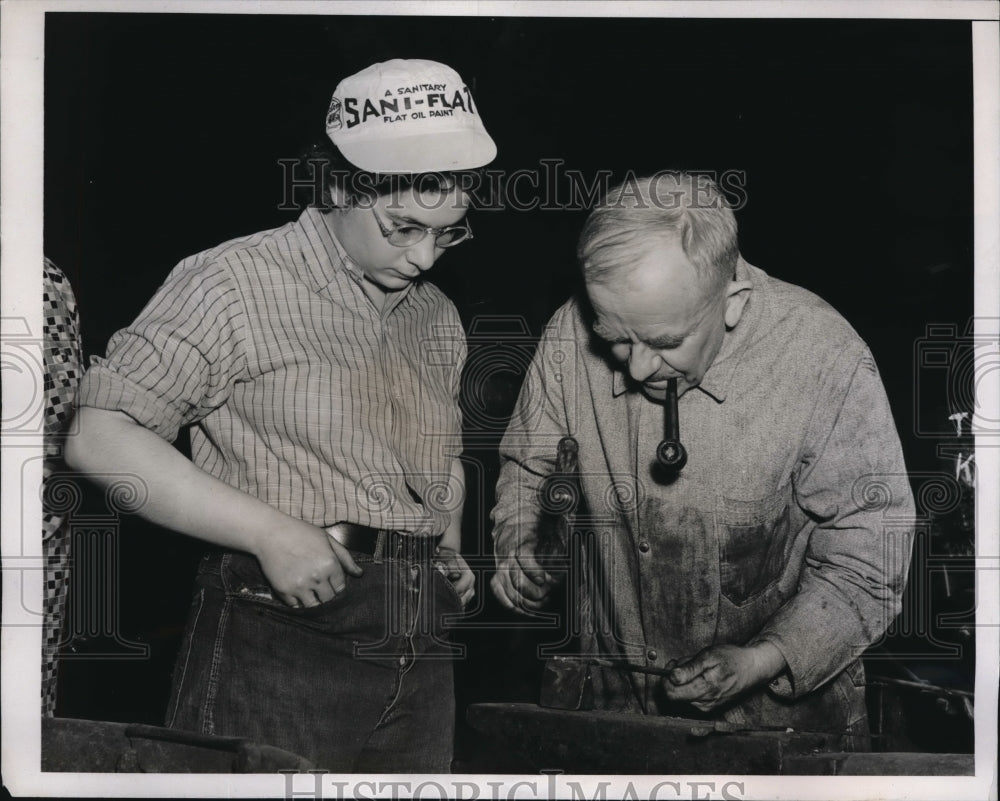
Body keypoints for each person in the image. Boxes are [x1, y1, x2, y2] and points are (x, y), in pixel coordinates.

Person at [66, 58, 495, 772]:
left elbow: (436, 457)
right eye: (403, 227)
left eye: (448, 232)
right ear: (339, 187)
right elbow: (97, 436)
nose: (424, 257)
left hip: (421, 637)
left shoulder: (436, 315)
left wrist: (444, 543)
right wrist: (268, 531)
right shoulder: (232, 282)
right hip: (281, 619)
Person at [490, 172, 914, 747]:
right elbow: (528, 466)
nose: (637, 368)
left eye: (666, 343)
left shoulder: (824, 357)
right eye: (615, 338)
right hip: (610, 712)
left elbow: (870, 553)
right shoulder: (569, 334)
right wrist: (519, 544)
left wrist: (764, 658)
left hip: (783, 731)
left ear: (732, 303)